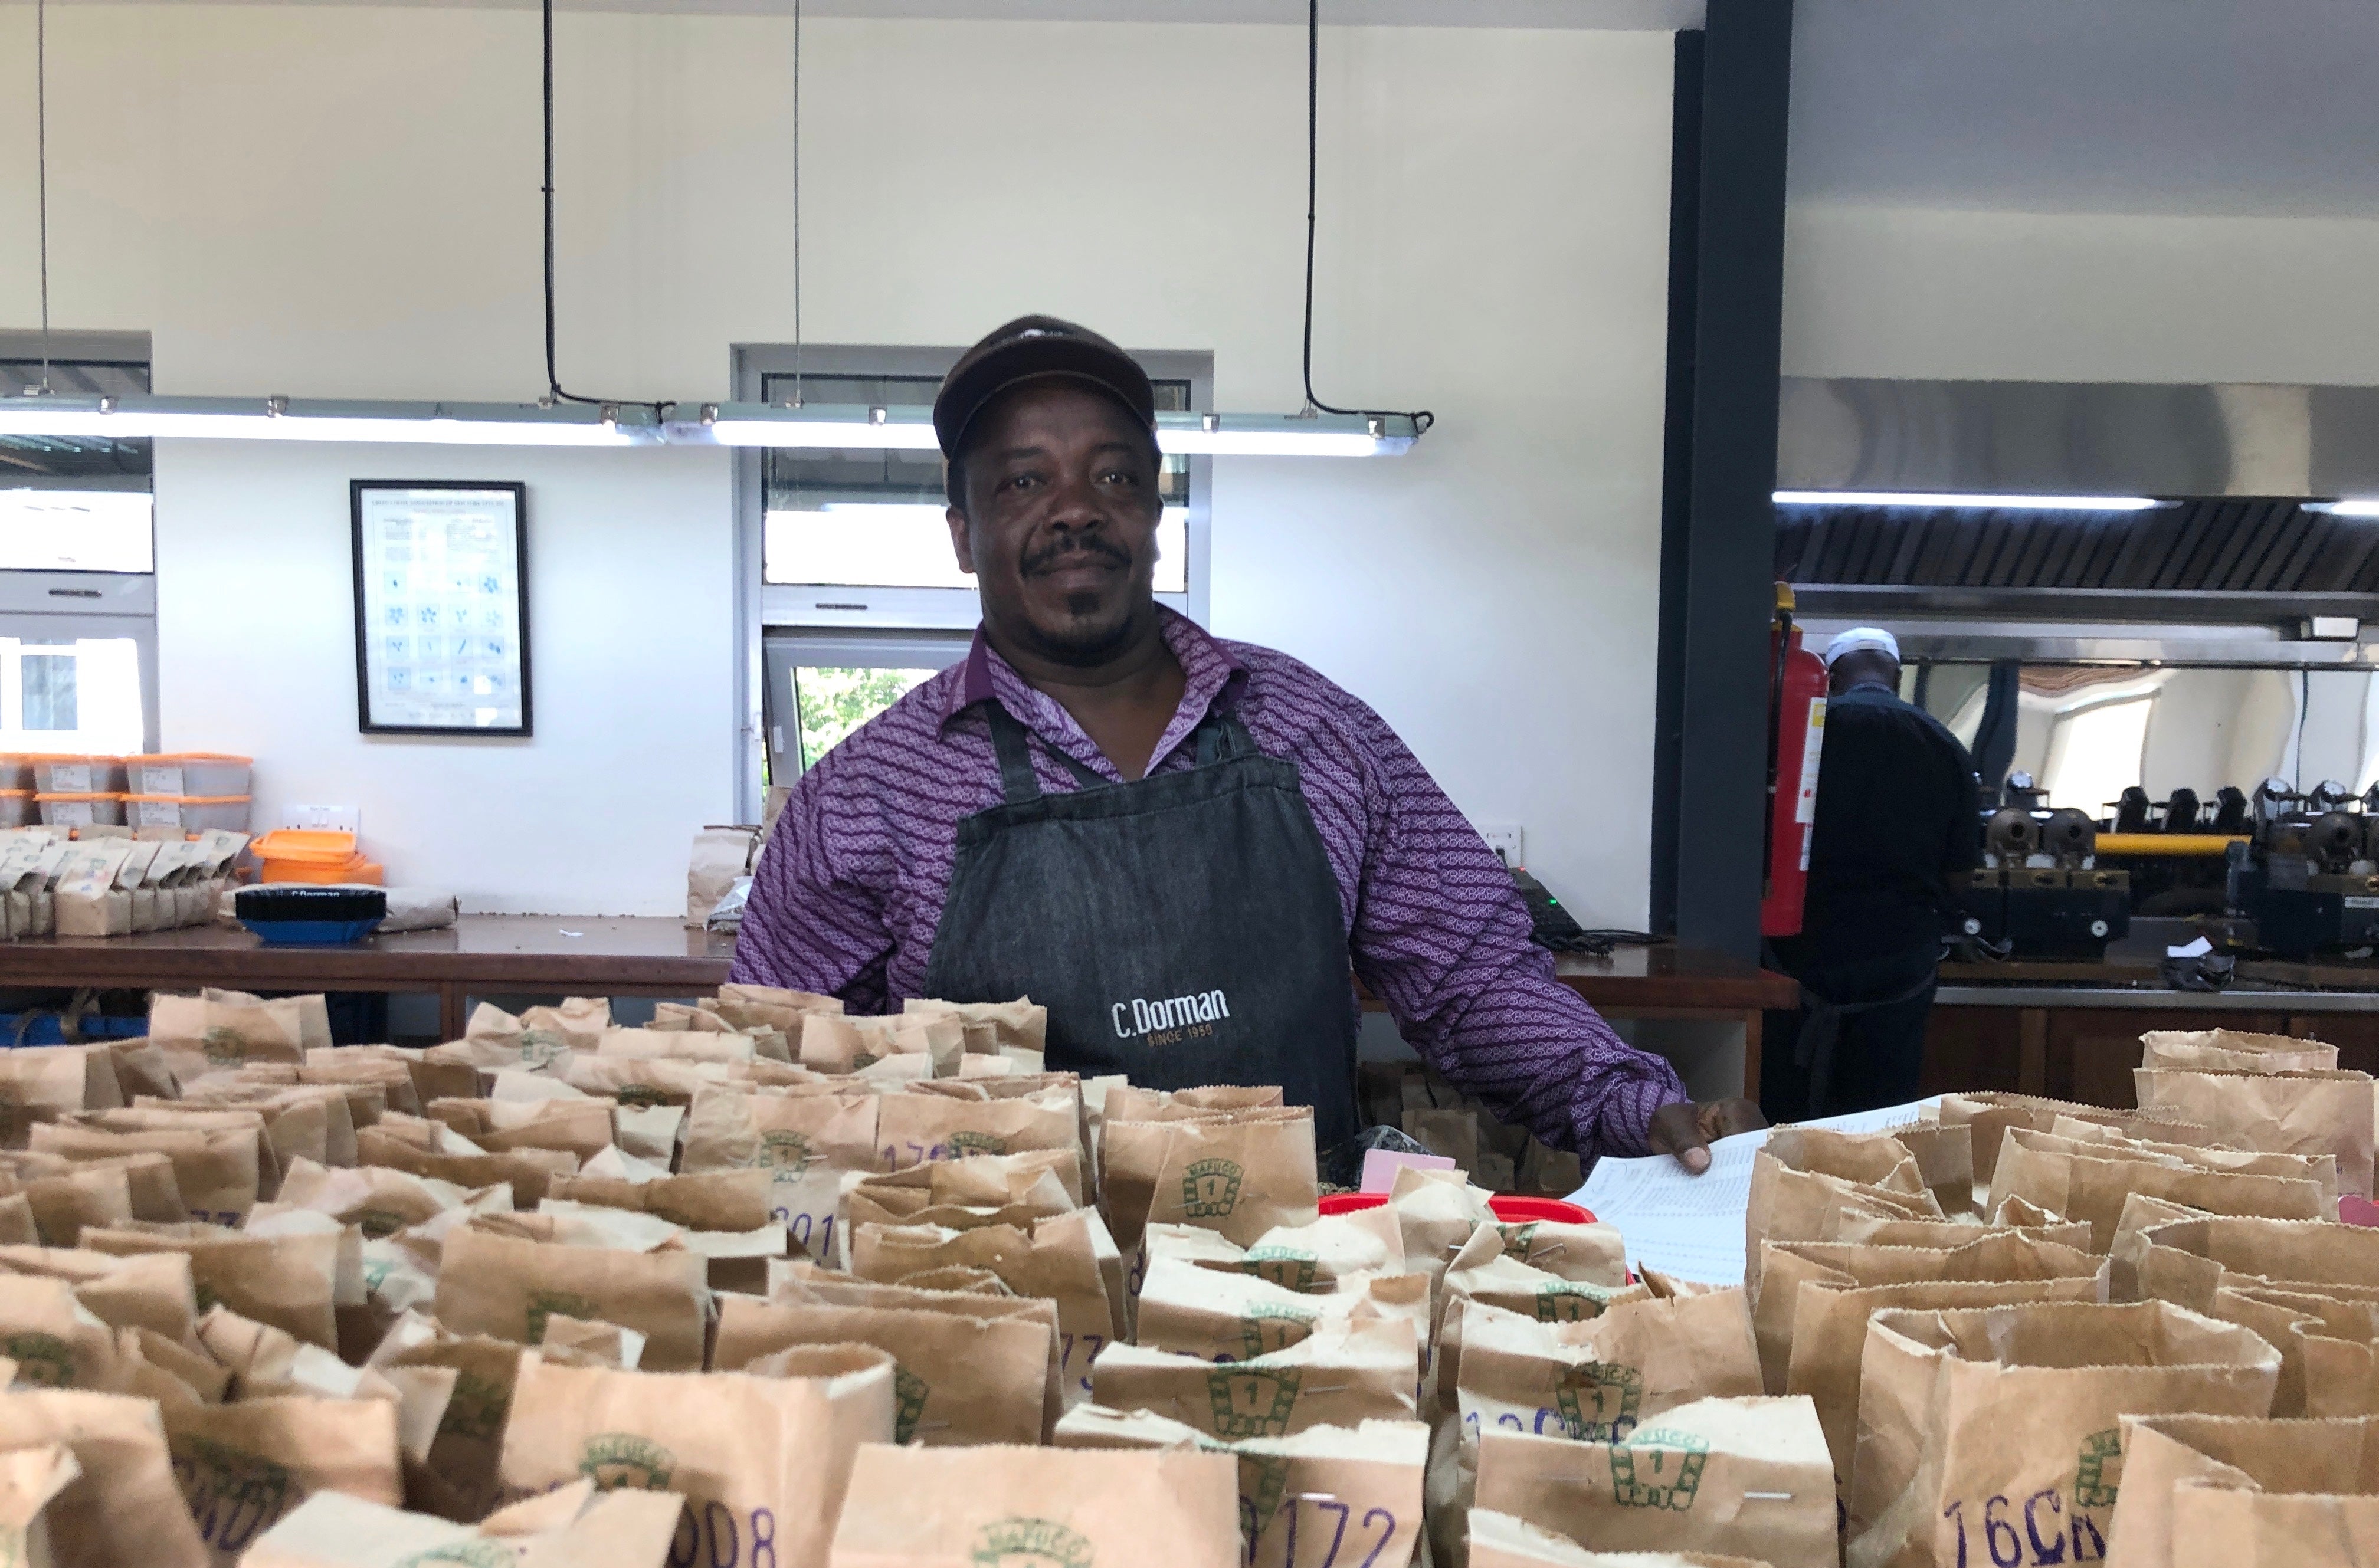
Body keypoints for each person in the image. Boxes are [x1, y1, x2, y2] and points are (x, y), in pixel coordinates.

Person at [732, 313, 1761, 1170]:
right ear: (961, 531)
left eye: (1114, 477)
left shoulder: (1311, 727)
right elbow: (778, 1078)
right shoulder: (866, 795)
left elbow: (1471, 971)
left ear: (1157, 512)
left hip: (1302, 1295)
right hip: (1003, 1302)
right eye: (1021, 482)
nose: (1076, 510)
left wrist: (1627, 1101)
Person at [1762, 626, 1982, 1120]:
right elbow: (1959, 877)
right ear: (1897, 677)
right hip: (1900, 968)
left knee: (1789, 1119)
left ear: (1831, 676)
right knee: (1882, 1123)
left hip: (1801, 961)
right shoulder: (1945, 745)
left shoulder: (1802, 737)